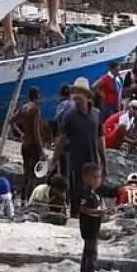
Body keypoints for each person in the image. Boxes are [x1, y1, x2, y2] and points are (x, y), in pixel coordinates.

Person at [50, 77, 107, 218]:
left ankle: (90, 215)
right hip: (76, 161)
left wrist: (104, 160)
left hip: (92, 159)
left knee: (92, 192)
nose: (76, 96)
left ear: (87, 96)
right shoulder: (69, 116)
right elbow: (62, 141)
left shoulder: (96, 114)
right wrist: (53, 161)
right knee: (75, 192)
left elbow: (100, 138)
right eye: (74, 93)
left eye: (79, 93)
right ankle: (75, 216)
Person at [77, 162, 115, 272]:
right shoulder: (85, 193)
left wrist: (103, 212)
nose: (97, 180)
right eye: (93, 177)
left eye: (98, 177)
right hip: (88, 227)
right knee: (91, 253)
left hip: (94, 227)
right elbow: (83, 209)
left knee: (89, 251)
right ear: (85, 178)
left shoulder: (96, 194)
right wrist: (97, 213)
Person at [10, 87, 44, 200]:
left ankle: (22, 197)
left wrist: (21, 134)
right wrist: (42, 150)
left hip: (25, 144)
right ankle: (29, 199)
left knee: (26, 172)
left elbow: (11, 121)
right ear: (37, 97)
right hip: (33, 145)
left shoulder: (23, 107)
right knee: (33, 175)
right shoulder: (35, 110)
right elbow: (36, 132)